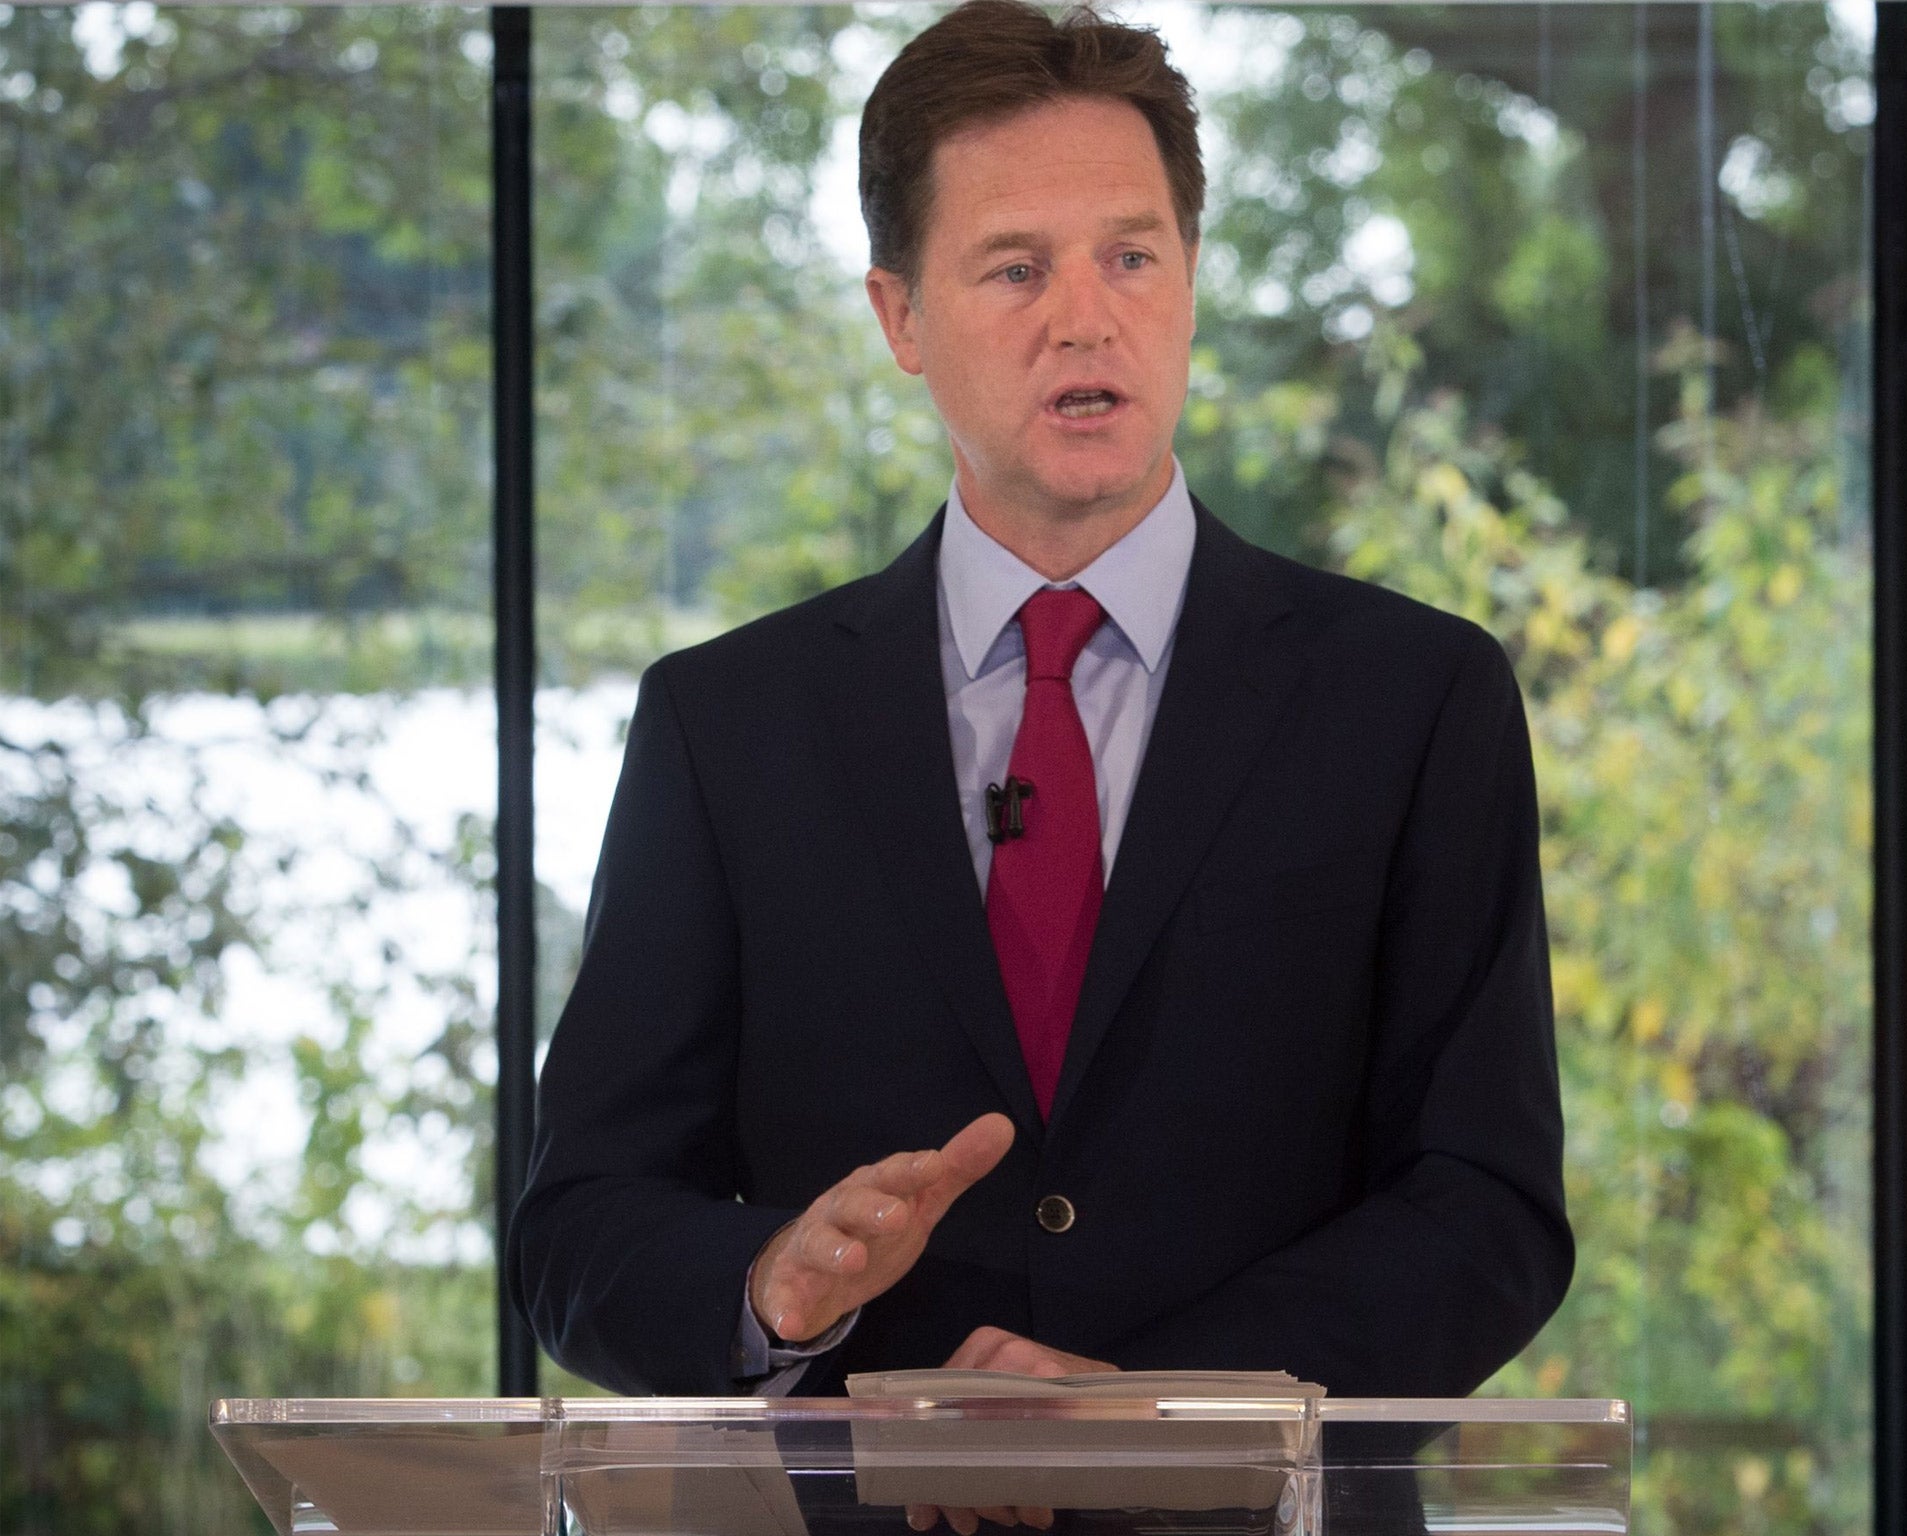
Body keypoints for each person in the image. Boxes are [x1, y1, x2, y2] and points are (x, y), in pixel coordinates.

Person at [509, 0, 1571, 1402]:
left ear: (1190, 279)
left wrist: (1148, 1408)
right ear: (899, 316)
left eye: (1132, 256)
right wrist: (774, 1287)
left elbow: (1488, 1205)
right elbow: (583, 1225)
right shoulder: (727, 725)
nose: (1088, 317)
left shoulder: (1417, 700)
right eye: (1016, 270)